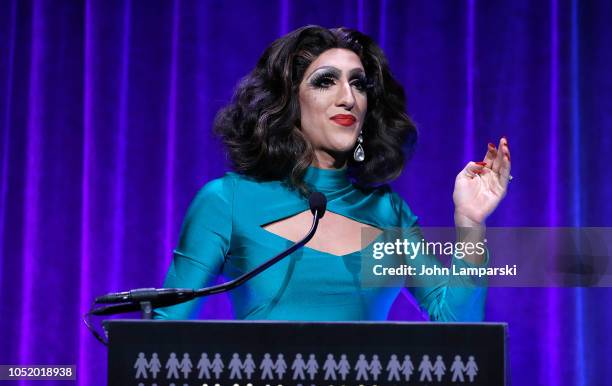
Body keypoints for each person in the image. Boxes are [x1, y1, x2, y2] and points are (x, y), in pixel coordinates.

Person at [153, 25, 511, 321]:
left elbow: (458, 327)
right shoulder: (226, 201)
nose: (348, 98)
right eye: (325, 81)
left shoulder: (389, 212)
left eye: (358, 83)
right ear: (288, 102)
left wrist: (469, 224)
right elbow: (160, 339)